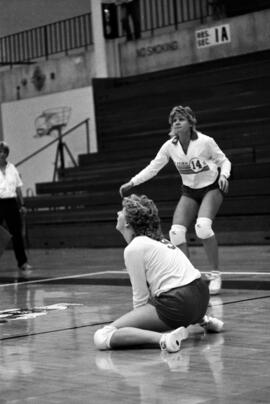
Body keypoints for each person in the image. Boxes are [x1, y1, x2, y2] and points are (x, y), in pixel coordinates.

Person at [119, 106, 231, 295]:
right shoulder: (170, 146)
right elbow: (153, 167)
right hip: (189, 191)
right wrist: (132, 182)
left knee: (203, 227)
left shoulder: (205, 142)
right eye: (174, 120)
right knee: (176, 232)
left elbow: (224, 161)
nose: (177, 122)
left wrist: (224, 175)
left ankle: (215, 273)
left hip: (211, 188)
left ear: (191, 122)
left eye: (181, 119)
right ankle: (190, 277)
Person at [94, 194, 224, 353]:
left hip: (179, 303)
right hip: (202, 296)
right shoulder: (160, 240)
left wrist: (139, 324)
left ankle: (164, 340)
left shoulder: (134, 248)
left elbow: (140, 297)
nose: (117, 214)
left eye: (121, 211)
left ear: (128, 222)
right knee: (162, 295)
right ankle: (204, 320)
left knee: (102, 336)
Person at [0, 141, 32, 273]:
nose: (0, 154)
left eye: (2, 151)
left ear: (6, 154)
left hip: (11, 203)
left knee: (16, 234)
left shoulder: (12, 168)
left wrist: (22, 204)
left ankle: (22, 262)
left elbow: (18, 187)